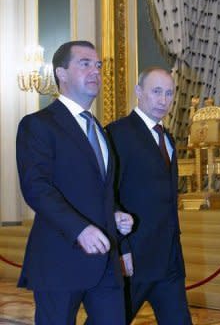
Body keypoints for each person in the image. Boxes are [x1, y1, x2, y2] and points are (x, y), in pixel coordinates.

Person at [16, 40, 133, 325]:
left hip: (105, 259)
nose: (95, 71)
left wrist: (116, 215)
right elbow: (37, 188)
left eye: (98, 65)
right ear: (61, 73)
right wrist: (79, 228)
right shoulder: (38, 124)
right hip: (60, 259)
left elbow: (100, 190)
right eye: (85, 63)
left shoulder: (100, 131)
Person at [106, 67, 192, 325]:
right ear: (138, 92)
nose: (163, 100)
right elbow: (108, 194)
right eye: (156, 92)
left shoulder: (168, 139)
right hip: (135, 259)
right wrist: (122, 248)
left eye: (169, 93)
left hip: (169, 260)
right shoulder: (117, 133)